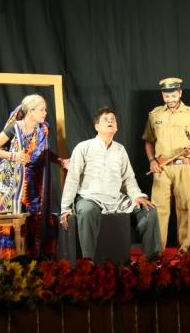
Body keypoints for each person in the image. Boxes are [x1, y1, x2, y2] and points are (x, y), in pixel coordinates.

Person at [60, 107, 161, 258]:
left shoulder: (120, 149)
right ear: (96, 126)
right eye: (106, 120)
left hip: (117, 199)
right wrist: (65, 208)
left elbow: (128, 178)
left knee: (149, 210)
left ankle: (152, 260)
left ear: (117, 127)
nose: (110, 121)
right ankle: (88, 260)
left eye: (113, 119)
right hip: (90, 198)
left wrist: (137, 196)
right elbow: (72, 178)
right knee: (87, 211)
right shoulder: (83, 147)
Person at [0, 94, 69, 260]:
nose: (45, 113)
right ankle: (12, 261)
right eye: (42, 110)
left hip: (34, 183)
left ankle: (35, 261)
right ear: (30, 111)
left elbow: (44, 152)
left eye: (45, 110)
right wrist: (13, 156)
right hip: (13, 184)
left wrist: (60, 161)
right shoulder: (14, 128)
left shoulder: (42, 129)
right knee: (14, 221)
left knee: (35, 219)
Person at [142, 77, 190, 251]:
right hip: (161, 168)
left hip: (183, 165)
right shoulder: (154, 114)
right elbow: (148, 140)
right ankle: (157, 250)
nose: (170, 99)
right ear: (162, 95)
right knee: (159, 211)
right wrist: (152, 161)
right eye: (166, 96)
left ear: (180, 93)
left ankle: (184, 249)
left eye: (173, 95)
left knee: (185, 207)